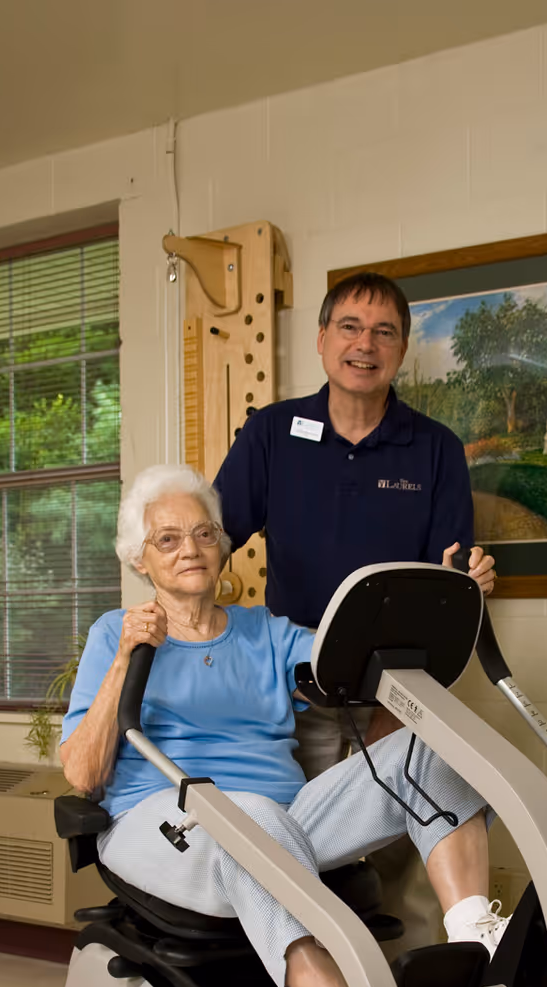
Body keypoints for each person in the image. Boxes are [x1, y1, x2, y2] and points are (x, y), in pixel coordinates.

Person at [61, 465, 508, 987]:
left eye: (203, 533)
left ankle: (477, 939)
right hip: (165, 827)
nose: (189, 549)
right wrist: (123, 661)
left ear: (222, 545)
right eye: (166, 539)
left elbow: (367, 659)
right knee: (243, 816)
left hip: (283, 823)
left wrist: (450, 595)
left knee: (428, 743)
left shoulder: (266, 633)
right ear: (139, 560)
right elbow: (82, 775)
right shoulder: (114, 633)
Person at [214, 271, 497, 948]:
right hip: (299, 690)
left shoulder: (433, 449)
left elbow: (444, 580)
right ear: (321, 340)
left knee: (410, 854)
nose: (364, 344)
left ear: (401, 350)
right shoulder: (272, 434)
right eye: (349, 326)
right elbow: (211, 539)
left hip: (396, 693)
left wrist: (471, 578)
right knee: (297, 848)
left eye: (383, 332)